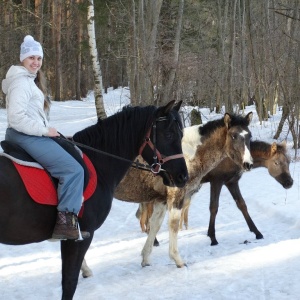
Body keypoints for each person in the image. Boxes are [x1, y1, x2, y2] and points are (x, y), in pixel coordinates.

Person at [1, 35, 89, 240]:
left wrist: (51, 132)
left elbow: (31, 116)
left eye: (38, 58)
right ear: (22, 59)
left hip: (28, 134)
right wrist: (44, 131)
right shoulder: (21, 83)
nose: (35, 62)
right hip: (26, 136)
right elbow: (16, 118)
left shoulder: (28, 81)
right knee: (73, 169)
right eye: (31, 57)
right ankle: (65, 224)